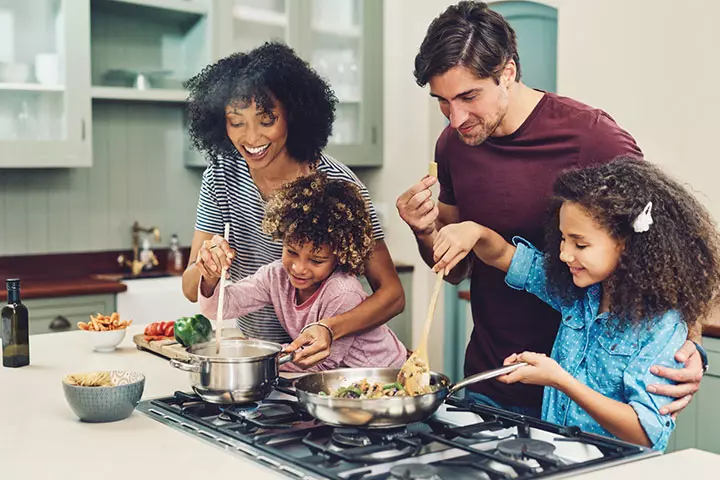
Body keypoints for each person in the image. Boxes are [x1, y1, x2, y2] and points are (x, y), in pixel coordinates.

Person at [397, 1, 705, 416]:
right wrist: (424, 231)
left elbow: (669, 246)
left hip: (590, 399)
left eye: (469, 96)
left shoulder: (592, 138)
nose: (456, 118)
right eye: (443, 101)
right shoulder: (453, 146)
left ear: (507, 71)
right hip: (492, 381)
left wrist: (693, 346)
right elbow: (455, 272)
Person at [430, 158, 720, 450]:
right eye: (563, 239)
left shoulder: (660, 328)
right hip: (562, 458)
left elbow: (645, 432)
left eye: (580, 244)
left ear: (627, 244)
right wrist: (475, 232)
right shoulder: (576, 292)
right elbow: (503, 255)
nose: (566, 254)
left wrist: (560, 380)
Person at [182, 42, 405, 368]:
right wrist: (207, 268)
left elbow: (392, 295)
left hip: (327, 366)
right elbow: (192, 289)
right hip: (263, 359)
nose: (251, 137)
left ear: (293, 114)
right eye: (237, 121)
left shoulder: (338, 185)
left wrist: (329, 329)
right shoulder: (221, 176)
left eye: (266, 119)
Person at [197, 173, 407, 371]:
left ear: (340, 255)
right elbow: (218, 308)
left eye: (316, 260)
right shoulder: (276, 276)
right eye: (291, 252)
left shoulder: (342, 292)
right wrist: (211, 275)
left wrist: (254, 353)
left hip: (383, 372)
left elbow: (320, 363)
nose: (299, 268)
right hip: (339, 378)